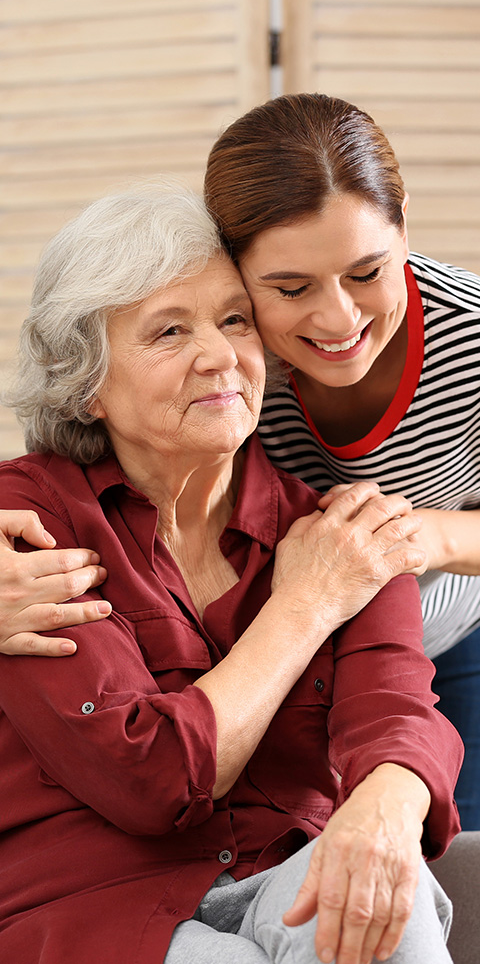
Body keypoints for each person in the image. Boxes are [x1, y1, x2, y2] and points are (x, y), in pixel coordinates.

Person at [0, 180, 462, 964]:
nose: (220, 356)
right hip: (98, 904)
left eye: (235, 319)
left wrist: (386, 804)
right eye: (169, 331)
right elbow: (148, 779)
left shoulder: (341, 528)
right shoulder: (28, 525)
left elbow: (396, 712)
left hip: (289, 866)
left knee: (388, 895)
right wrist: (306, 605)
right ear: (86, 386)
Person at [202, 92, 480, 830]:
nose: (339, 320)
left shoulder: (474, 338)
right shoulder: (216, 355)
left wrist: (426, 538)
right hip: (272, 658)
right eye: (291, 289)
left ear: (404, 224)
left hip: (448, 641)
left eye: (367, 272)